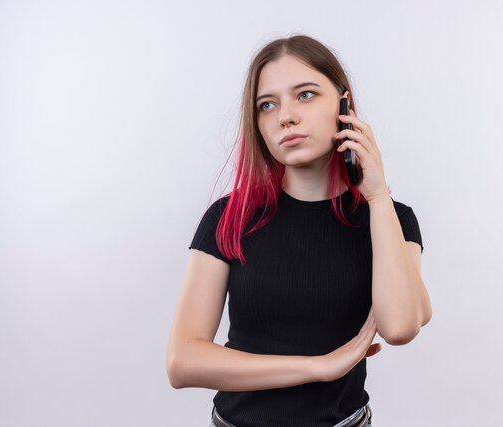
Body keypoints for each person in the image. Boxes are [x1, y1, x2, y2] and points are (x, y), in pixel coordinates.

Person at [166, 34, 432, 427]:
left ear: (344, 106)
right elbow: (182, 362)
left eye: (305, 95)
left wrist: (376, 196)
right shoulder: (229, 217)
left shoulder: (390, 218)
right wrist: (317, 367)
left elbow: (400, 326)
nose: (284, 116)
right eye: (267, 105)